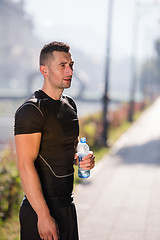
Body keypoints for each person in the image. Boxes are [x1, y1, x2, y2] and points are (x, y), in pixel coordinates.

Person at [14, 41, 95, 240]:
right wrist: (43, 215)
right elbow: (25, 165)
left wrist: (83, 158)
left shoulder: (70, 105)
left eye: (71, 65)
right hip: (40, 211)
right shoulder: (32, 109)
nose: (70, 71)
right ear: (44, 70)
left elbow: (71, 147)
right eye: (62, 65)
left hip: (67, 205)